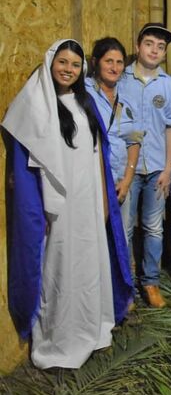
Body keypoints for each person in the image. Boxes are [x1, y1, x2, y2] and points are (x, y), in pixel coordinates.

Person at [3, 39, 134, 369]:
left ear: (82, 70)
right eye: (63, 62)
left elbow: (96, 157)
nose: (68, 69)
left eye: (74, 65)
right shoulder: (34, 104)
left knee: (89, 266)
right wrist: (40, 209)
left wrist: (103, 200)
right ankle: (59, 342)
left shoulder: (84, 102)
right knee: (60, 270)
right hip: (58, 208)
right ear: (51, 63)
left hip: (87, 204)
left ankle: (92, 328)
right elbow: (27, 166)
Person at [120, 23, 171, 308]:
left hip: (156, 167)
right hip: (125, 170)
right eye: (149, 43)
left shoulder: (169, 86)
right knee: (126, 228)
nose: (154, 50)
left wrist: (169, 169)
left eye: (160, 46)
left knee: (154, 228)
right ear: (137, 46)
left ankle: (151, 283)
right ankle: (125, 285)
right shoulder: (120, 80)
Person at [85, 38, 142, 240]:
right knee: (93, 237)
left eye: (119, 62)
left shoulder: (127, 97)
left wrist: (127, 180)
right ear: (96, 62)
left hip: (119, 180)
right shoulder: (83, 92)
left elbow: (134, 140)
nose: (114, 67)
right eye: (109, 61)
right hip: (91, 180)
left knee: (121, 237)